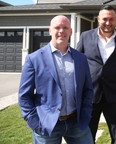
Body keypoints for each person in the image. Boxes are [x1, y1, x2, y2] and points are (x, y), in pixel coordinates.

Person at [18, 15, 94, 144]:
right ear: (50, 30)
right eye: (57, 27)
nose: (61, 31)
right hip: (47, 125)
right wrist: (35, 122)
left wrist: (86, 113)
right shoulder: (34, 59)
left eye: (65, 27)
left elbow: (88, 90)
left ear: (70, 31)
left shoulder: (81, 58)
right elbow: (24, 96)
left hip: (77, 122)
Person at [77, 5, 116, 144]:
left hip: (114, 94)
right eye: (105, 19)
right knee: (88, 134)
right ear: (98, 19)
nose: (108, 23)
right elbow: (77, 63)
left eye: (111, 19)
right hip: (90, 94)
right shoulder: (85, 36)